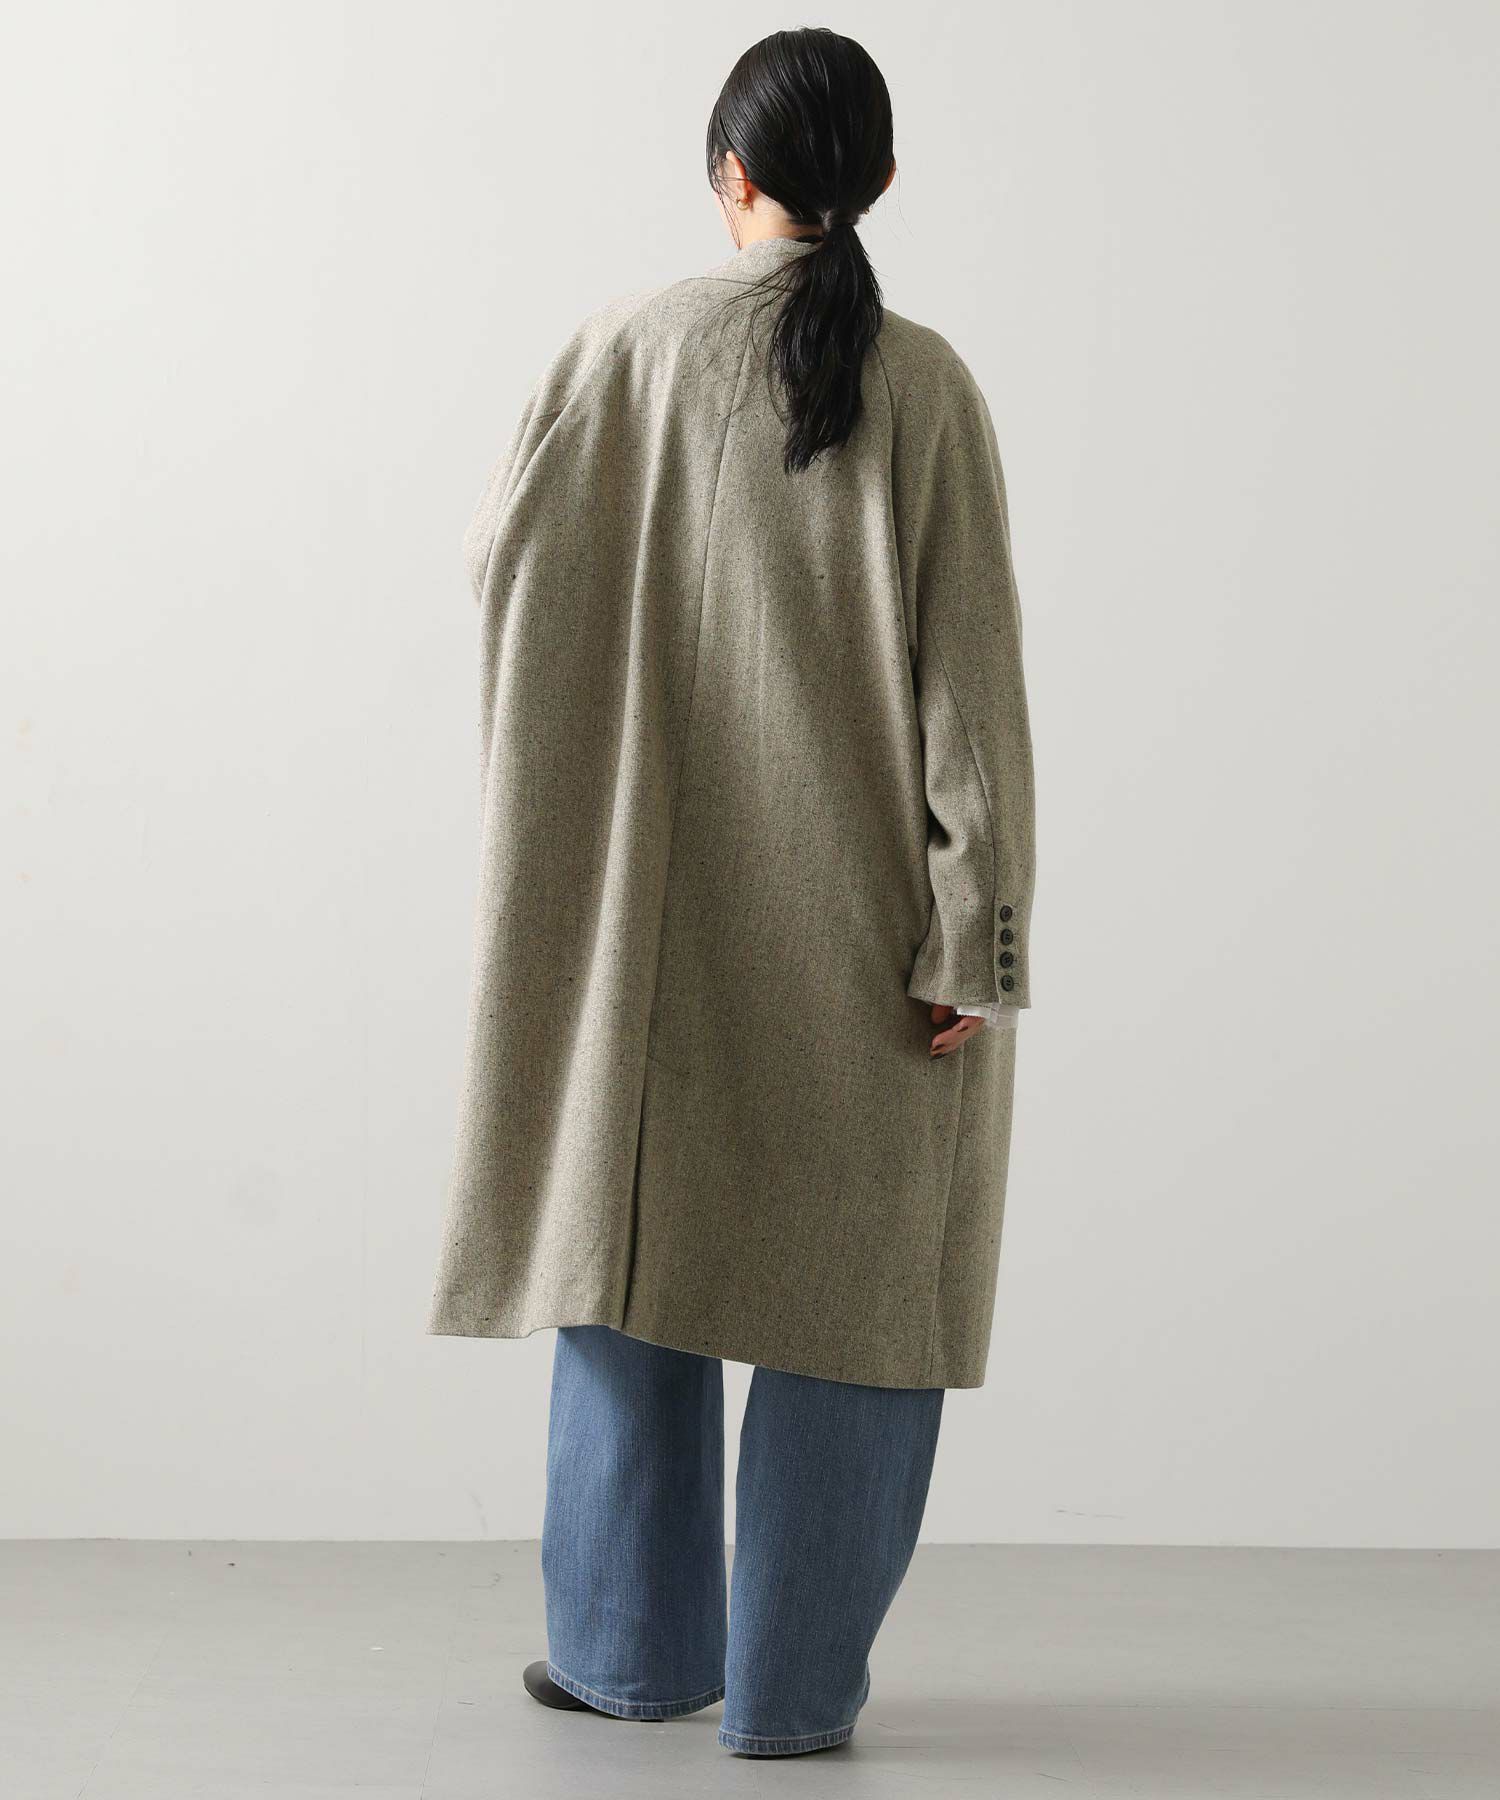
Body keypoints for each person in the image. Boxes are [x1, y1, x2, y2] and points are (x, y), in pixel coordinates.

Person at [428, 26, 1036, 1760]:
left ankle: (629, 1656)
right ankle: (794, 1693)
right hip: (866, 930)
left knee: (635, 1263)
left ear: (729, 173)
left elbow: (498, 571)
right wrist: (977, 934)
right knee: (863, 1297)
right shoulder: (925, 386)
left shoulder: (616, 351)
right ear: (881, 182)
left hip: (634, 916)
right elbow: (971, 692)